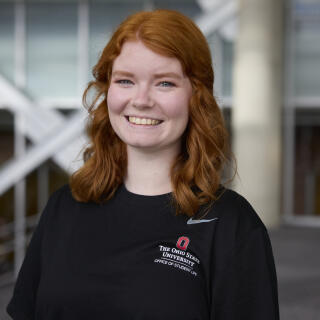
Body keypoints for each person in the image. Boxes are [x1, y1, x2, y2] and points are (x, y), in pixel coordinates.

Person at [7, 9, 279, 320]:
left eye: (164, 83)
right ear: (108, 90)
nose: (141, 99)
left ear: (197, 97)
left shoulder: (231, 224)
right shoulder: (65, 206)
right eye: (125, 80)